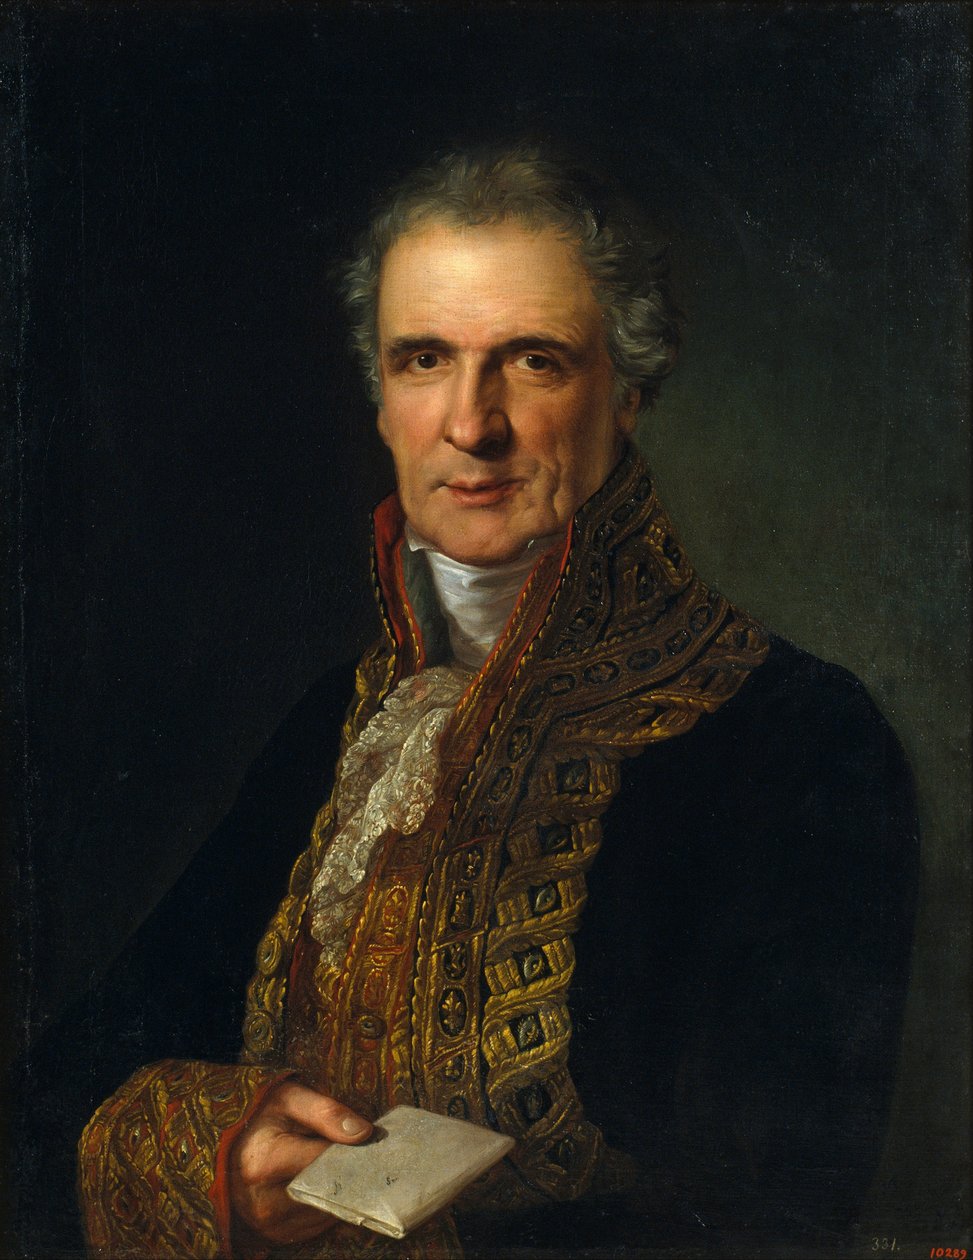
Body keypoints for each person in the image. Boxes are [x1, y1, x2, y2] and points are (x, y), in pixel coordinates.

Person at [31, 145, 919, 1258]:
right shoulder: (338, 722)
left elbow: (777, 1215)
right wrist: (225, 1152)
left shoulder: (801, 737)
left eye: (534, 361)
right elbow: (63, 1086)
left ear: (630, 393)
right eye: (423, 361)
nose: (471, 423)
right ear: (381, 402)